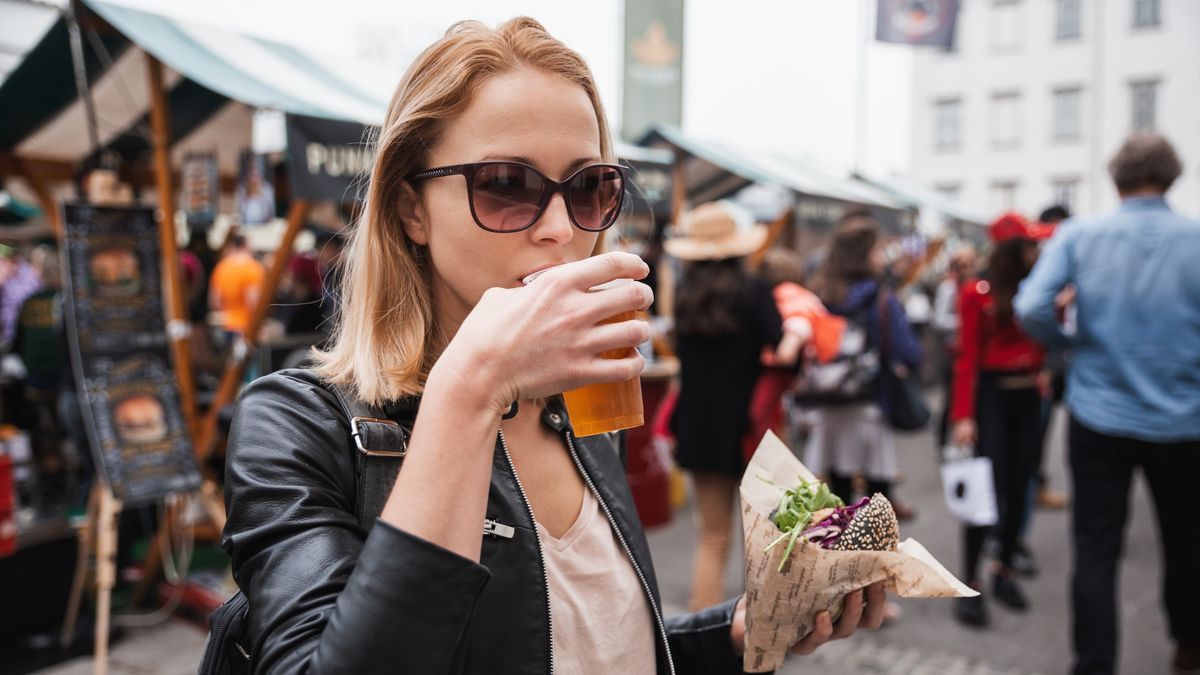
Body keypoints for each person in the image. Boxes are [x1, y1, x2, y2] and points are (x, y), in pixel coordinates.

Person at [222, 18, 884, 674]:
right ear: (409, 210)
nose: (562, 229)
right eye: (507, 184)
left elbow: (583, 644)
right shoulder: (296, 425)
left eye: (590, 187)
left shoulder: (580, 411)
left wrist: (733, 632)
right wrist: (470, 389)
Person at [1015, 133, 1200, 675]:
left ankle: (1094, 663)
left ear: (1114, 179)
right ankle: (1189, 646)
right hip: (1185, 418)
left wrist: (1068, 342)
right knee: (1187, 541)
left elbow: (1031, 306)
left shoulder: (1081, 235)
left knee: (1096, 549)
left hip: (1099, 414)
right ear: (1170, 177)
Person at [666, 201, 781, 611]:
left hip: (699, 427)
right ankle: (768, 626)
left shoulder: (684, 296)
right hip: (750, 428)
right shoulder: (755, 293)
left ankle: (705, 630)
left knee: (711, 537)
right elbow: (784, 349)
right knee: (767, 536)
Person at [950, 213, 1049, 628]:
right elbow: (967, 355)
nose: (1035, 251)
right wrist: (963, 415)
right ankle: (970, 580)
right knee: (985, 492)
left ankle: (1004, 568)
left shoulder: (1037, 287)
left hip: (1029, 398)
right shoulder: (977, 293)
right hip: (992, 399)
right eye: (1028, 245)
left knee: (1019, 483)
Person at [804, 217, 922, 520]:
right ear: (865, 254)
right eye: (878, 250)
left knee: (837, 502)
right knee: (875, 504)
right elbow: (909, 352)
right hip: (869, 406)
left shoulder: (820, 294)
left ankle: (840, 565)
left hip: (827, 404)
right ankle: (872, 563)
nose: (882, 257)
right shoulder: (880, 298)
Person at [208, 231, 264, 345]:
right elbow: (253, 302)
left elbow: (215, 301)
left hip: (226, 326)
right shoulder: (253, 268)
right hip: (246, 327)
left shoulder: (221, 267)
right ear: (246, 246)